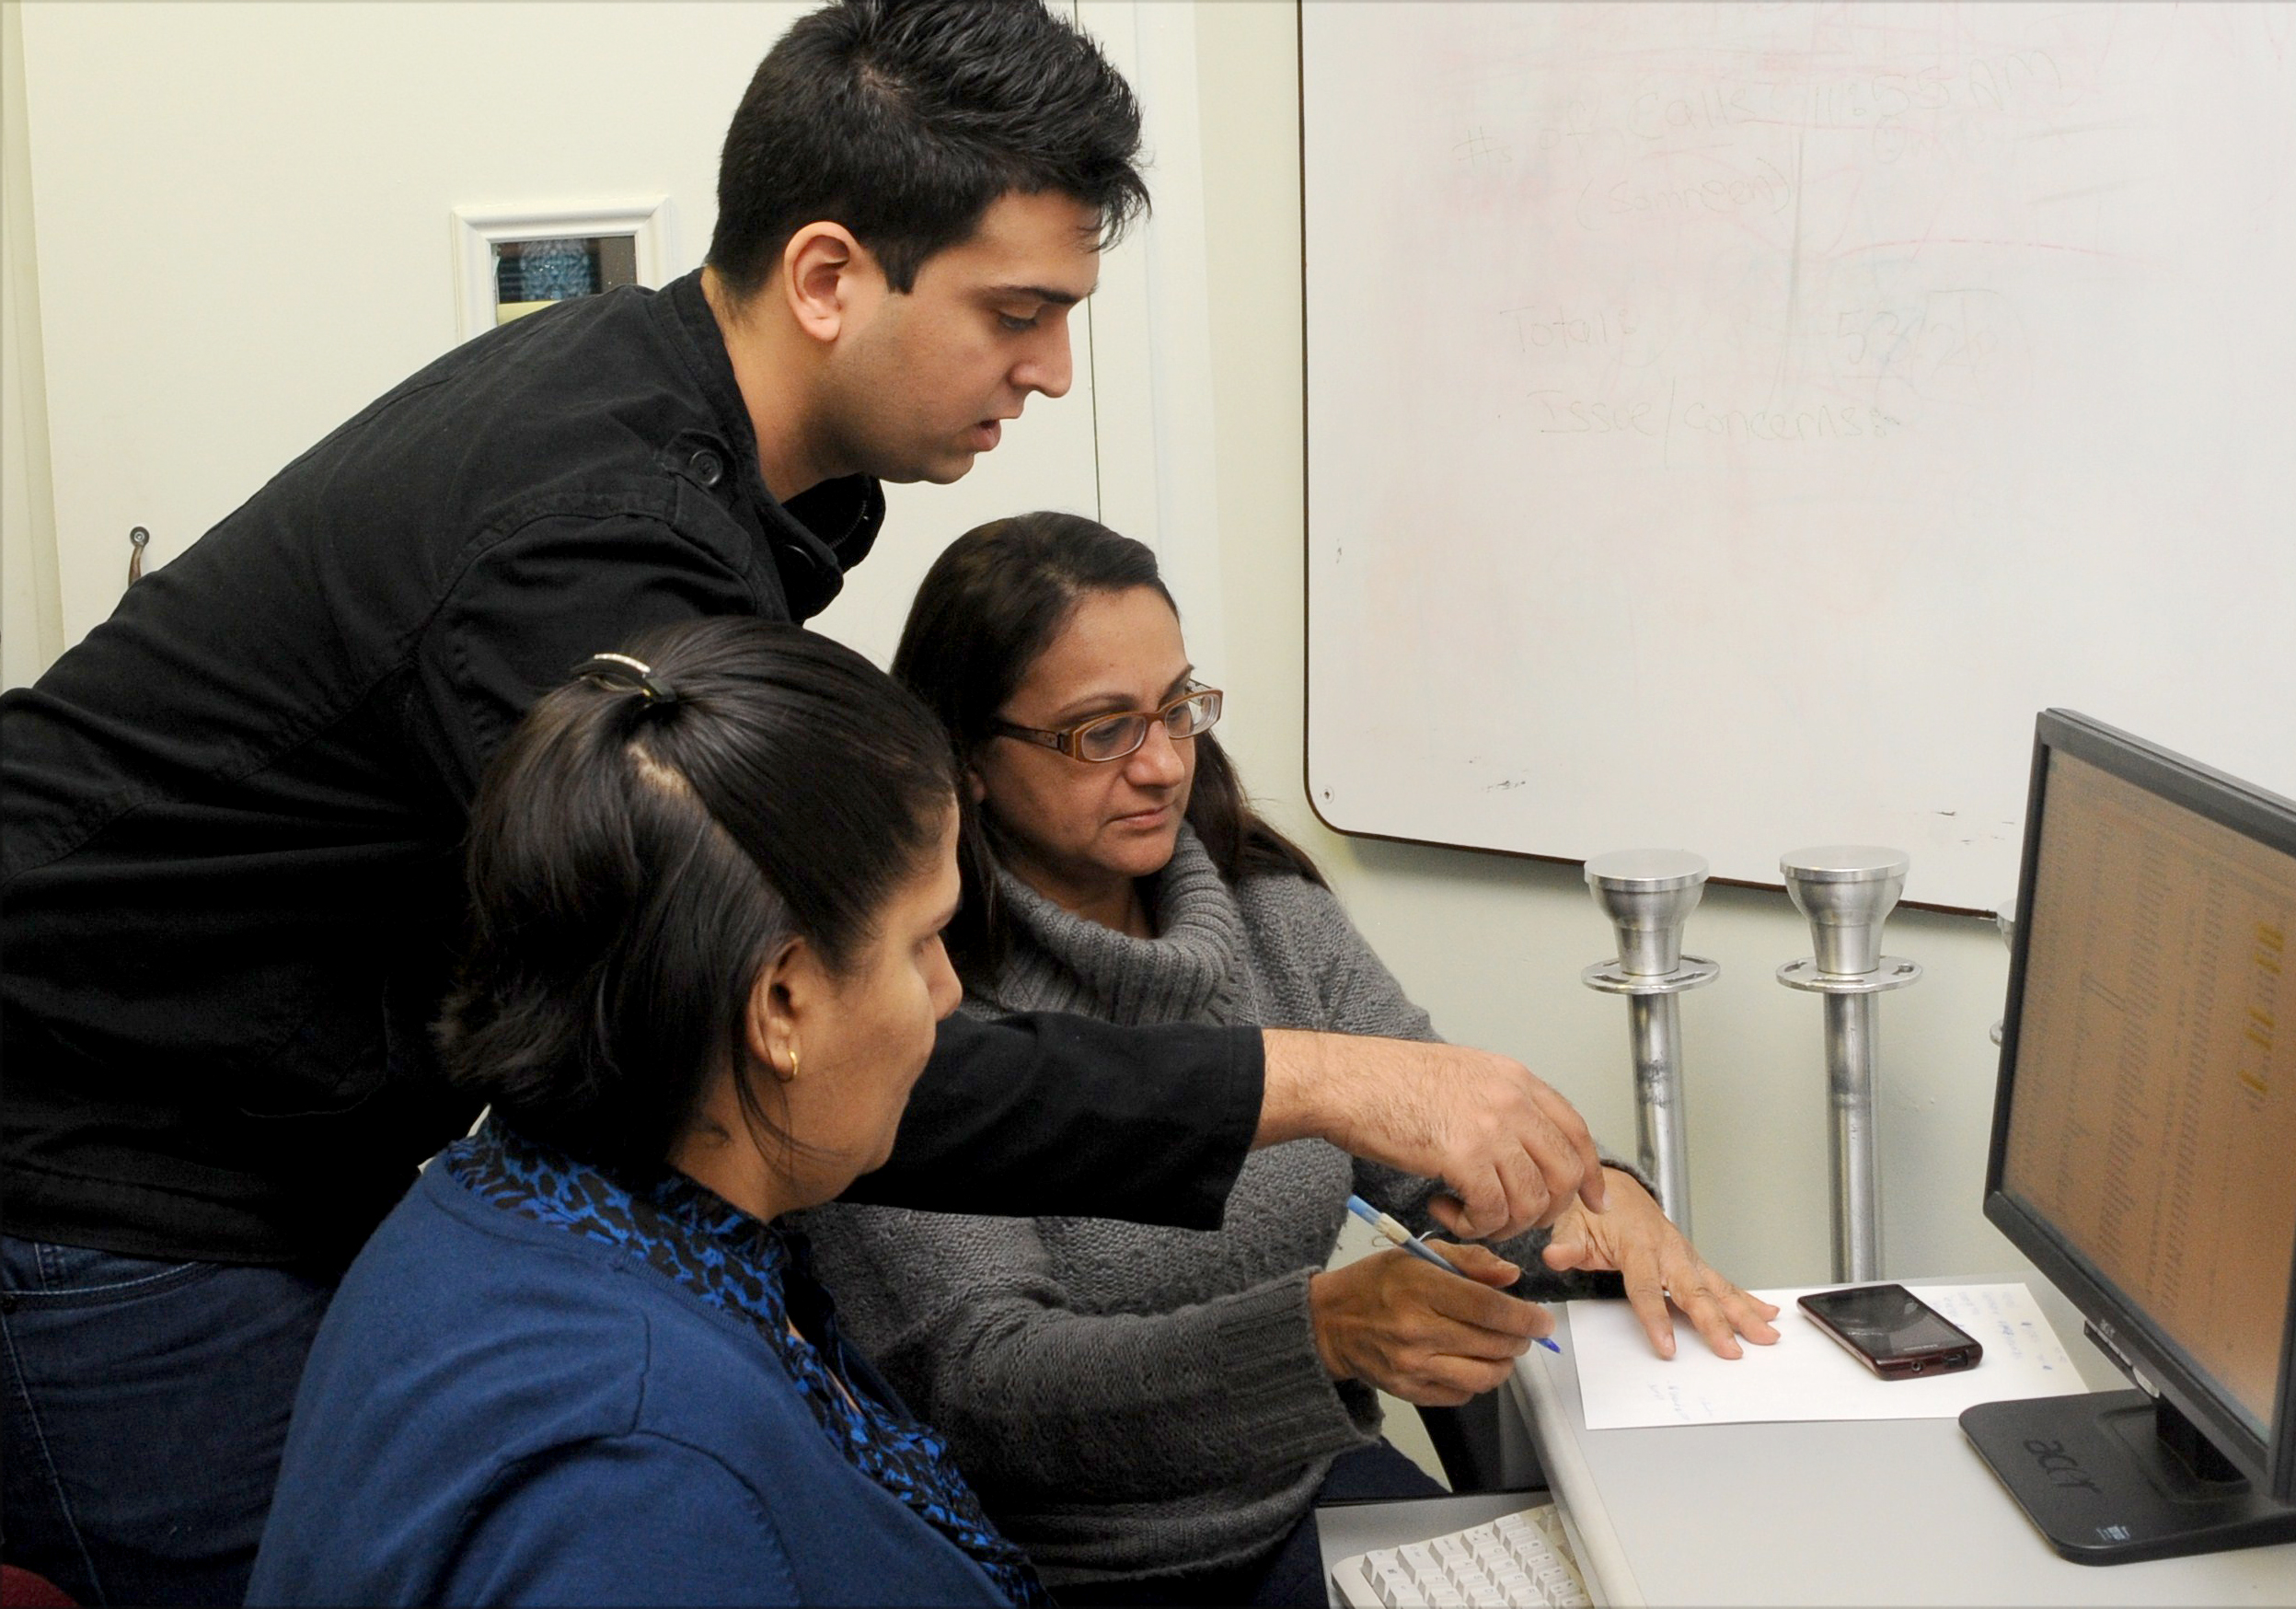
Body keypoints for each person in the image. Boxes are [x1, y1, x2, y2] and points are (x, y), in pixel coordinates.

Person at [0, 6, 1607, 1603]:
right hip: (103, 1175)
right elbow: (842, 1029)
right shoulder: (591, 544)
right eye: (1015, 313)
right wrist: (1324, 1082)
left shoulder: (694, 457)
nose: (1049, 370)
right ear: (830, 277)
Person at [806, 514, 1781, 1604]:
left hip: (1322, 1499)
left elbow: (1443, 1138)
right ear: (968, 758)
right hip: (1072, 1570)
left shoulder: (1268, 912)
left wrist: (1608, 1206)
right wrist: (1317, 1335)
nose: (1166, 764)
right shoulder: (914, 999)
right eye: (1101, 731)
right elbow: (983, 1389)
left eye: (1179, 707)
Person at [250, 616, 1078, 1603]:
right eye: (925, 940)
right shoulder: (639, 1477)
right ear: (779, 1002)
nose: (946, 991)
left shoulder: (512, 1196)